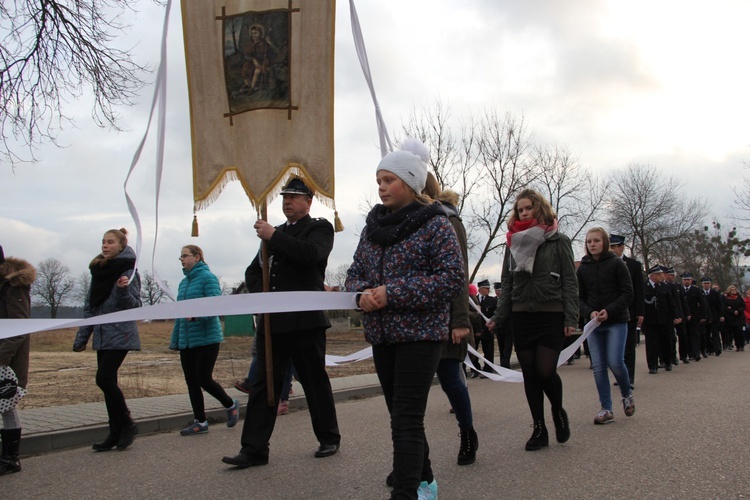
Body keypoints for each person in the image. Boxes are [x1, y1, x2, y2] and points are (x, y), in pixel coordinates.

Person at [346, 141, 464, 499]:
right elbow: (354, 274)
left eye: (388, 179)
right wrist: (360, 294)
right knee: (400, 416)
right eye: (378, 180)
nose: (380, 186)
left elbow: (451, 278)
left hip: (421, 335)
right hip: (382, 337)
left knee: (407, 419)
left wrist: (392, 293)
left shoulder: (435, 224)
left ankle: (407, 492)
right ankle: (425, 480)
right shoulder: (371, 230)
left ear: (410, 183)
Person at [222, 176, 340, 468]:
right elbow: (253, 271)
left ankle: (329, 437)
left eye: (294, 197)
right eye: (284, 197)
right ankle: (254, 449)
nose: (287, 201)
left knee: (314, 382)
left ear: (308, 201)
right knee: (264, 385)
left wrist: (273, 235)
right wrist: (262, 296)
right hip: (273, 323)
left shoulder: (318, 228)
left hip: (305, 321)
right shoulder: (273, 234)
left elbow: (310, 255)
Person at [487, 188, 578, 452]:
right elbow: (507, 281)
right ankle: (539, 428)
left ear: (539, 209)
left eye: (529, 208)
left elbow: (570, 282)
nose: (524, 212)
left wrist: (571, 315)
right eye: (520, 209)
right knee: (529, 373)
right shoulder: (512, 242)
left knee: (545, 370)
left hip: (551, 312)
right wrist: (498, 315)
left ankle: (558, 412)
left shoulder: (558, 240)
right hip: (520, 314)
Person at [423, 172, 478, 466]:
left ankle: (467, 432)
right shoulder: (404, 222)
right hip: (415, 319)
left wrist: (460, 320)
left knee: (450, 380)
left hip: (445, 317)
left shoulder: (449, 221)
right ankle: (414, 460)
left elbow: (459, 272)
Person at [73, 228, 141, 451]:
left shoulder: (129, 271)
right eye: (103, 242)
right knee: (107, 381)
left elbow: (135, 306)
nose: (105, 246)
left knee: (103, 379)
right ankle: (115, 432)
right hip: (102, 336)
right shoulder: (98, 271)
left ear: (121, 245)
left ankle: (128, 424)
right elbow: (90, 307)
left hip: (120, 334)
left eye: (110, 242)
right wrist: (82, 337)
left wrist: (122, 290)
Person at [170, 245, 240, 436]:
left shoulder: (208, 278)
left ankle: (230, 404)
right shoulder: (183, 283)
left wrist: (196, 317)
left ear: (197, 257)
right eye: (180, 257)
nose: (182, 259)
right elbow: (180, 315)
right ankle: (200, 422)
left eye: (185, 256)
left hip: (207, 338)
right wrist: (176, 339)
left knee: (204, 379)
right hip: (187, 340)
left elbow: (215, 306)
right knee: (191, 382)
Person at [576, 228, 635, 425]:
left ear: (605, 243)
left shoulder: (617, 264)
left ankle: (626, 394)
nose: (592, 244)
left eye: (596, 241)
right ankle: (606, 408)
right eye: (589, 241)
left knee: (615, 362)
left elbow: (628, 293)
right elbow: (579, 297)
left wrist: (609, 311)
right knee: (599, 367)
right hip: (594, 324)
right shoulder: (582, 268)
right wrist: (589, 313)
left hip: (616, 321)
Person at [0, 245, 36, 475]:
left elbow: (19, 327)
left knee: (6, 405)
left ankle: (11, 458)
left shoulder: (13, 286)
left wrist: (1, 358)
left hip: (7, 361)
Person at [609, 235, 644, 388]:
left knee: (629, 346)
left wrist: (640, 312)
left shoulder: (633, 265)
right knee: (617, 347)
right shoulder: (606, 264)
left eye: (614, 246)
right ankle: (620, 375)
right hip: (612, 311)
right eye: (609, 247)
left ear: (621, 247)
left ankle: (629, 378)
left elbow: (639, 290)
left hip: (629, 311)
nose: (611, 249)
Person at [641, 265, 679, 374]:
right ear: (652, 276)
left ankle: (667, 362)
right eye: (659, 274)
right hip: (650, 320)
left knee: (666, 342)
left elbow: (671, 303)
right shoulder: (644, 286)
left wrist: (675, 316)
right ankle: (653, 366)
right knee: (651, 344)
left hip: (664, 319)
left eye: (662, 274)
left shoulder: (664, 287)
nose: (661, 276)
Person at [470, 279, 496, 378]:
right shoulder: (473, 300)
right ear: (480, 289)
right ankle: (475, 369)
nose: (488, 290)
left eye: (489, 288)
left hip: (488, 330)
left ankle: (488, 370)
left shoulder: (493, 300)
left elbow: (494, 314)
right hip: (476, 330)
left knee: (488, 351)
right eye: (486, 288)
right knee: (474, 352)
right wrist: (476, 330)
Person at [681, 272, 708, 362]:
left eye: (688, 280)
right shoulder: (680, 290)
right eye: (685, 280)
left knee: (695, 335)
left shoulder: (696, 290)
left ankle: (696, 353)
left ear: (691, 280)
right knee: (686, 335)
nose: (686, 281)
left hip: (695, 316)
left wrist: (703, 316)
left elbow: (702, 303)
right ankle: (690, 354)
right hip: (683, 316)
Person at [701, 277, 724, 357]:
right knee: (706, 333)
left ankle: (717, 348)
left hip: (715, 316)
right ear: (702, 284)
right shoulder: (700, 293)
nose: (706, 285)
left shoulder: (715, 292)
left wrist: (721, 315)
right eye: (705, 283)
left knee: (715, 333)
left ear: (710, 284)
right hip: (705, 316)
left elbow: (720, 305)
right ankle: (709, 349)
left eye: (707, 283)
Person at [494, 282, 514, 369]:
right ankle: (503, 365)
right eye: (496, 290)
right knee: (501, 347)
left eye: (499, 290)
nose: (497, 292)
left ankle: (505, 365)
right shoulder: (494, 300)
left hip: (509, 328)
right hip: (499, 328)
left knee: (507, 348)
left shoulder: (509, 301)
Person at [722, 285, 745, 352]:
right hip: (731, 317)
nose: (733, 291)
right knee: (735, 333)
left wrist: (738, 311)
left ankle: (742, 345)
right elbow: (725, 308)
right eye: (732, 290)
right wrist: (732, 311)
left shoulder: (739, 297)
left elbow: (743, 305)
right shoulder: (727, 298)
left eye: (734, 289)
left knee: (740, 331)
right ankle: (737, 346)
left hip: (739, 316)